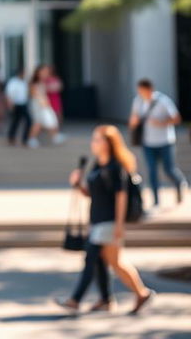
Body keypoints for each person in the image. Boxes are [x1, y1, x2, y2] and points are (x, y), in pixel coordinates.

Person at [56, 125, 154, 315]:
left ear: (108, 143)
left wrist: (119, 225)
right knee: (112, 262)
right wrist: (78, 184)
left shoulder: (115, 167)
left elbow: (121, 197)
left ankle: (75, 300)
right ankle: (120, 297)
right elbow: (90, 194)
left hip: (109, 222)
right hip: (96, 220)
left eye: (97, 140)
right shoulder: (97, 165)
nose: (94, 144)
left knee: (91, 258)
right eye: (94, 139)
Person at [128, 78, 188, 208]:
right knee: (152, 171)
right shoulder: (138, 102)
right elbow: (132, 121)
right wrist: (134, 122)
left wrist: (160, 123)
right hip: (147, 142)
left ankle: (179, 183)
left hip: (165, 141)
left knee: (169, 169)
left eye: (143, 91)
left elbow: (177, 119)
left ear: (149, 89)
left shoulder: (163, 101)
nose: (141, 93)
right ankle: (156, 201)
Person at [27, 65, 66, 148]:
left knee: (49, 120)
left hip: (44, 104)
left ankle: (54, 136)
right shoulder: (34, 83)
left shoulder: (43, 82)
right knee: (38, 122)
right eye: (44, 72)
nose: (46, 74)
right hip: (39, 105)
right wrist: (42, 102)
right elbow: (34, 94)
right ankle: (32, 139)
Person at [5, 68, 31, 146]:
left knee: (28, 121)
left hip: (24, 104)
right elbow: (9, 94)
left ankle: (25, 139)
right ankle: (11, 137)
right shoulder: (13, 82)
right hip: (16, 104)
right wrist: (10, 104)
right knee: (15, 121)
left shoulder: (24, 82)